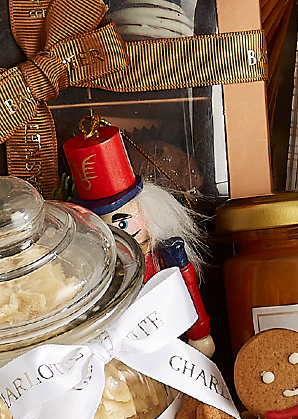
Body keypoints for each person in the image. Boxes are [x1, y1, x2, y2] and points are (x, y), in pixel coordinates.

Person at [63, 114, 215, 356]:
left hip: (168, 341)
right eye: (108, 228)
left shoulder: (164, 255)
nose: (119, 234)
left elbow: (189, 294)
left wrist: (199, 332)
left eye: (123, 222)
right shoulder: (102, 272)